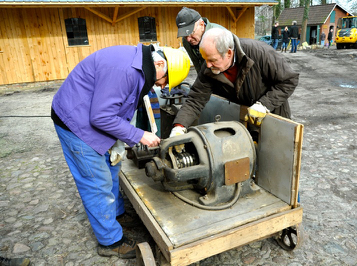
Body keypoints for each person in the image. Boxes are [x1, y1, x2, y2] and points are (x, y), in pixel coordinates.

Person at [51, 45, 190, 259]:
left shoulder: (139, 65)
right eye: (164, 81)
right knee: (97, 182)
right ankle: (111, 241)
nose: (161, 86)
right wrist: (139, 135)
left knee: (112, 166)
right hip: (76, 122)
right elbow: (100, 117)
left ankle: (117, 214)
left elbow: (118, 106)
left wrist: (122, 137)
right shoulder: (125, 71)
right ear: (160, 64)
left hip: (91, 113)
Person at [169, 28, 299, 136]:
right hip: (244, 121)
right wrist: (179, 126)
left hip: (273, 118)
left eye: (213, 60)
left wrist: (264, 104)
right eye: (205, 59)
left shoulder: (259, 53)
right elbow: (196, 98)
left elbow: (289, 79)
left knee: (274, 160)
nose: (207, 65)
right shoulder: (209, 64)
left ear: (229, 53)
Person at [176, 7, 225, 73]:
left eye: (191, 33)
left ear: (202, 25)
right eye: (185, 35)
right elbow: (197, 64)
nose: (188, 39)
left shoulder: (220, 36)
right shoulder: (186, 42)